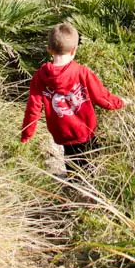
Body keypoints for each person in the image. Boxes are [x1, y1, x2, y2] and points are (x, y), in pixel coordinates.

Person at [21, 22, 126, 172]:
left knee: (72, 165)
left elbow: (33, 109)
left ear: (49, 49)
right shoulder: (82, 72)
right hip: (85, 130)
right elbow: (101, 97)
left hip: (62, 133)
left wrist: (26, 135)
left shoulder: (39, 77)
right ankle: (90, 190)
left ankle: (75, 189)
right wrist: (121, 102)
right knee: (93, 166)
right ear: (74, 50)